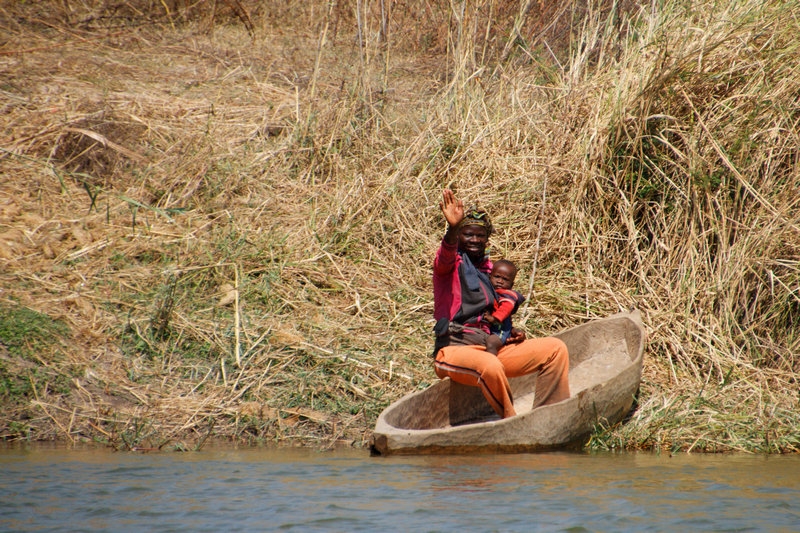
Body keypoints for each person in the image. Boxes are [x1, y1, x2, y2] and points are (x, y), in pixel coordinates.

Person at [432, 189, 570, 419]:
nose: (475, 240)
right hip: (454, 350)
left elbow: (495, 311)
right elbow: (446, 252)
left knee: (555, 349)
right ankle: (511, 421)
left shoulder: (491, 271)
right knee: (490, 365)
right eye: (468, 234)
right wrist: (452, 228)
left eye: (480, 235)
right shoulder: (449, 266)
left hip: (489, 347)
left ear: (487, 239)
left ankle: (549, 417)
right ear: (459, 236)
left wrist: (509, 330)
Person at [482, 259, 525, 355]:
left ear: (511, 284)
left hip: (501, 329)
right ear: (489, 277)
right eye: (497, 277)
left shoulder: (507, 295)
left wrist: (494, 318)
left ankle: (492, 364)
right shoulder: (493, 292)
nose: (500, 281)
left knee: (491, 343)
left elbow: (506, 308)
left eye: (505, 279)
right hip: (496, 327)